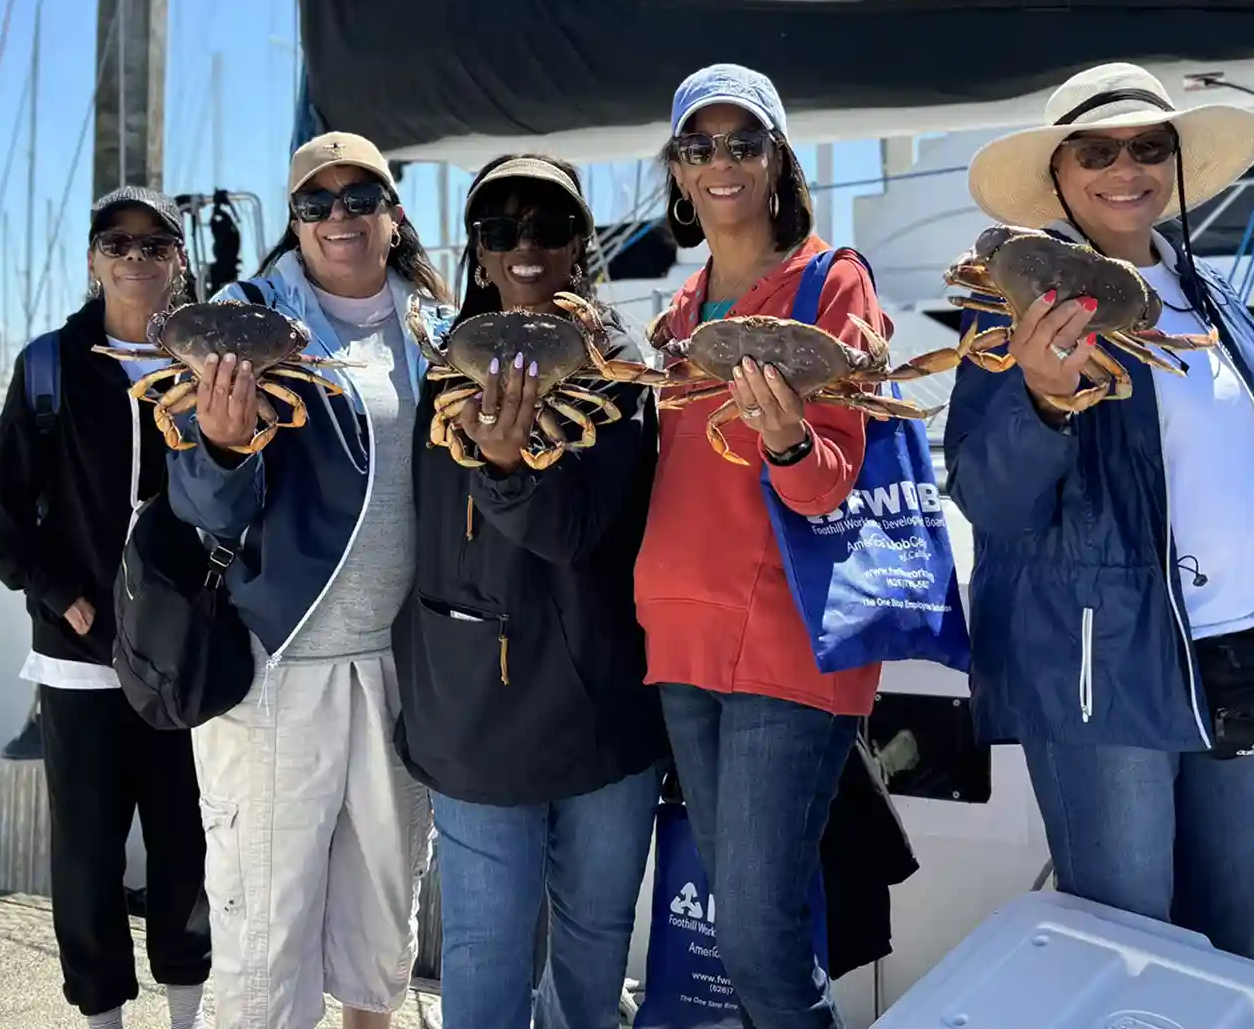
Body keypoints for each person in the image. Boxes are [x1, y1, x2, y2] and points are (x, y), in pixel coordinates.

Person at [943, 62, 1254, 960]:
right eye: (1096, 150)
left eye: (1147, 146)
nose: (1124, 167)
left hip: (1235, 666)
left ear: (1173, 161)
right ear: (1059, 173)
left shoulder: (1221, 307)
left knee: (1241, 944)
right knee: (1131, 955)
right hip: (1101, 684)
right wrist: (1043, 400)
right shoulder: (1003, 315)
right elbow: (990, 501)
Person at [166, 132, 453, 1029]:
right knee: (265, 937)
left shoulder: (434, 325)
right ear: (293, 222)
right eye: (316, 203)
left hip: (405, 668)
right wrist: (219, 442)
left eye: (359, 197)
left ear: (392, 214)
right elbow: (202, 506)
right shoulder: (243, 318)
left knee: (381, 930)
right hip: (274, 665)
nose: (340, 217)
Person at [635, 63, 889, 1029]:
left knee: (754, 928)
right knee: (738, 921)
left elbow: (835, 482)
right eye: (699, 147)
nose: (722, 163)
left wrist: (787, 438)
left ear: (779, 160)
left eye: (744, 142)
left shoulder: (835, 281)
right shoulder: (678, 312)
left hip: (789, 642)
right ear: (679, 172)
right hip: (682, 638)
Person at [394, 155, 665, 1029]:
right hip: (475, 710)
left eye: (550, 228)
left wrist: (507, 466)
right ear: (476, 251)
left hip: (606, 707)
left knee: (593, 947)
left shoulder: (618, 363)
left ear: (580, 245)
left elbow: (575, 532)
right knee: (483, 949)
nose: (526, 247)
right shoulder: (444, 364)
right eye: (501, 230)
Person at [0, 187, 210, 1029]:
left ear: (179, 259)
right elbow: (4, 521)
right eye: (118, 243)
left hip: (185, 658)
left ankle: (188, 1013)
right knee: (85, 856)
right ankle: (102, 1017)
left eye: (155, 245)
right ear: (91, 258)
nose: (136, 259)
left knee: (188, 844)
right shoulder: (48, 365)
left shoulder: (207, 359)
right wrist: (64, 597)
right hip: (77, 662)